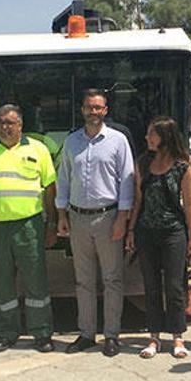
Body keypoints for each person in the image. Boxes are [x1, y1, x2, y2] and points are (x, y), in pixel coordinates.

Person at [0, 104, 57, 353]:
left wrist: (51, 223)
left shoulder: (38, 150)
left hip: (29, 226)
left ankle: (41, 333)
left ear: (20, 125)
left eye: (10, 123)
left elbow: (50, 189)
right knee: (2, 282)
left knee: (35, 281)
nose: (5, 127)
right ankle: (7, 333)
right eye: (0, 123)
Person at [57, 89, 135, 357]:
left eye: (98, 108)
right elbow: (64, 179)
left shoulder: (118, 141)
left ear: (106, 110)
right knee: (84, 281)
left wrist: (122, 220)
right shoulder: (71, 142)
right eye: (89, 107)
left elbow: (127, 181)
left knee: (113, 279)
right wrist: (61, 215)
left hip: (108, 218)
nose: (93, 112)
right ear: (82, 110)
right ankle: (87, 334)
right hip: (78, 218)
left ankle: (112, 335)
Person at [126, 116, 191, 359]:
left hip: (174, 233)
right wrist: (131, 231)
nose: (146, 138)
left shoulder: (182, 167)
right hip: (147, 232)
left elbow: (189, 207)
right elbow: (137, 201)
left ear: (165, 137)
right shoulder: (143, 164)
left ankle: (178, 337)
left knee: (175, 286)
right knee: (151, 286)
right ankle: (154, 337)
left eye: (151, 134)